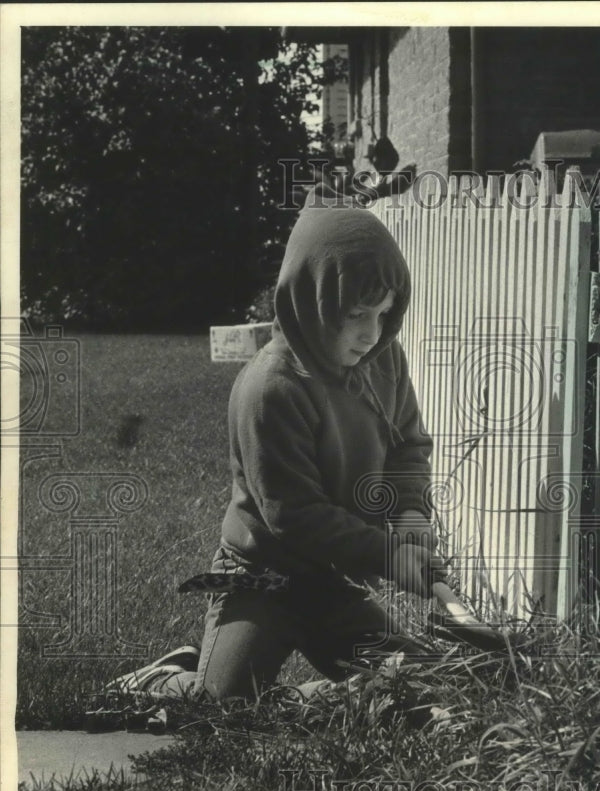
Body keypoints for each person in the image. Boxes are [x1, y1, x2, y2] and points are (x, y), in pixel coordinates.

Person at [107, 202, 442, 702]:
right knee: (224, 703)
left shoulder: (382, 359)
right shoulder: (271, 387)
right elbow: (295, 516)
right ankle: (165, 678)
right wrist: (390, 557)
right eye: (355, 315)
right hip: (259, 577)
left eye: (384, 313)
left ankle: (334, 696)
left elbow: (408, 445)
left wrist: (411, 511)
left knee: (414, 679)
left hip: (330, 577)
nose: (371, 333)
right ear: (312, 302)